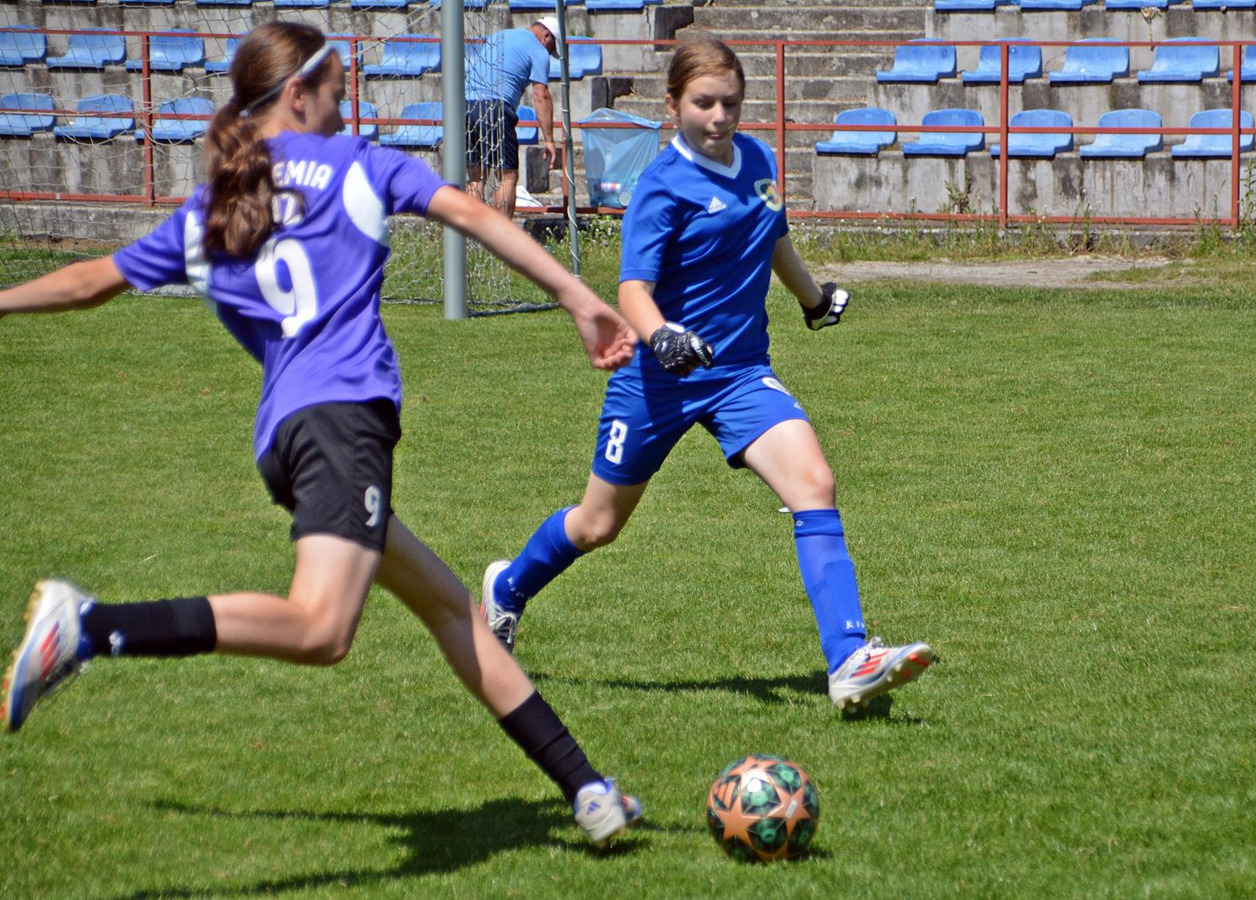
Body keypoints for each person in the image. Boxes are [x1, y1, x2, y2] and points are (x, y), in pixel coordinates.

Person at [0, 21, 642, 848]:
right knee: (322, 629)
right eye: (337, 90)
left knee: (453, 609)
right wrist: (577, 297)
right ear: (298, 93)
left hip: (288, 440)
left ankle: (587, 790)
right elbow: (473, 216)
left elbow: (92, 281)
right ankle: (89, 626)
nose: (346, 105)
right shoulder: (357, 165)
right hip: (343, 425)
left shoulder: (219, 200)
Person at [479, 38, 933, 714]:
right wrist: (662, 336)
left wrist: (813, 300)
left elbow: (773, 237)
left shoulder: (759, 160)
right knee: (598, 524)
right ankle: (507, 589)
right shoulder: (662, 186)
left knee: (814, 481)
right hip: (656, 381)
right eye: (703, 103)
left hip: (740, 372)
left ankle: (848, 660)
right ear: (673, 105)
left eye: (730, 103)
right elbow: (633, 290)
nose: (719, 116)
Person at [464, 16, 560, 219]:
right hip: (495, 108)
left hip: (466, 105)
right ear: (547, 36)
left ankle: (471, 233)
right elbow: (541, 96)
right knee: (507, 176)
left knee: (475, 175)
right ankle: (500, 233)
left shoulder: (499, 35)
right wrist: (549, 140)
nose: (549, 53)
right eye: (552, 48)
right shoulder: (538, 50)